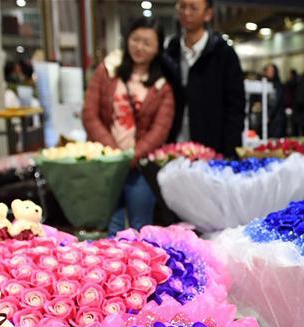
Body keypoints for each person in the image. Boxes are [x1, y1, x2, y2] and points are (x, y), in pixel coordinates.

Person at [83, 17, 174, 234]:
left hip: (140, 167)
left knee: (141, 228)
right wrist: (115, 154)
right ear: (127, 39)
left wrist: (130, 157)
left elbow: (160, 130)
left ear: (157, 48)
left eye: (147, 42)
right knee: (109, 226)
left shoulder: (163, 86)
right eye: (135, 39)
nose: (139, 47)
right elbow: (90, 115)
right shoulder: (106, 72)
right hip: (106, 163)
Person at [163, 0, 244, 157]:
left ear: (208, 14)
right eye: (182, 6)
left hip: (211, 145)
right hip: (174, 144)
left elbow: (235, 107)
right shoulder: (170, 51)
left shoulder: (223, 54)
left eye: (193, 8)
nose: (186, 12)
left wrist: (229, 151)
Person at [263, 63, 286, 138]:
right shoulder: (264, 83)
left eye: (271, 71)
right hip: (268, 117)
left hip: (276, 119)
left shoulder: (278, 85)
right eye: (268, 71)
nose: (269, 73)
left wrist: (269, 115)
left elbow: (276, 102)